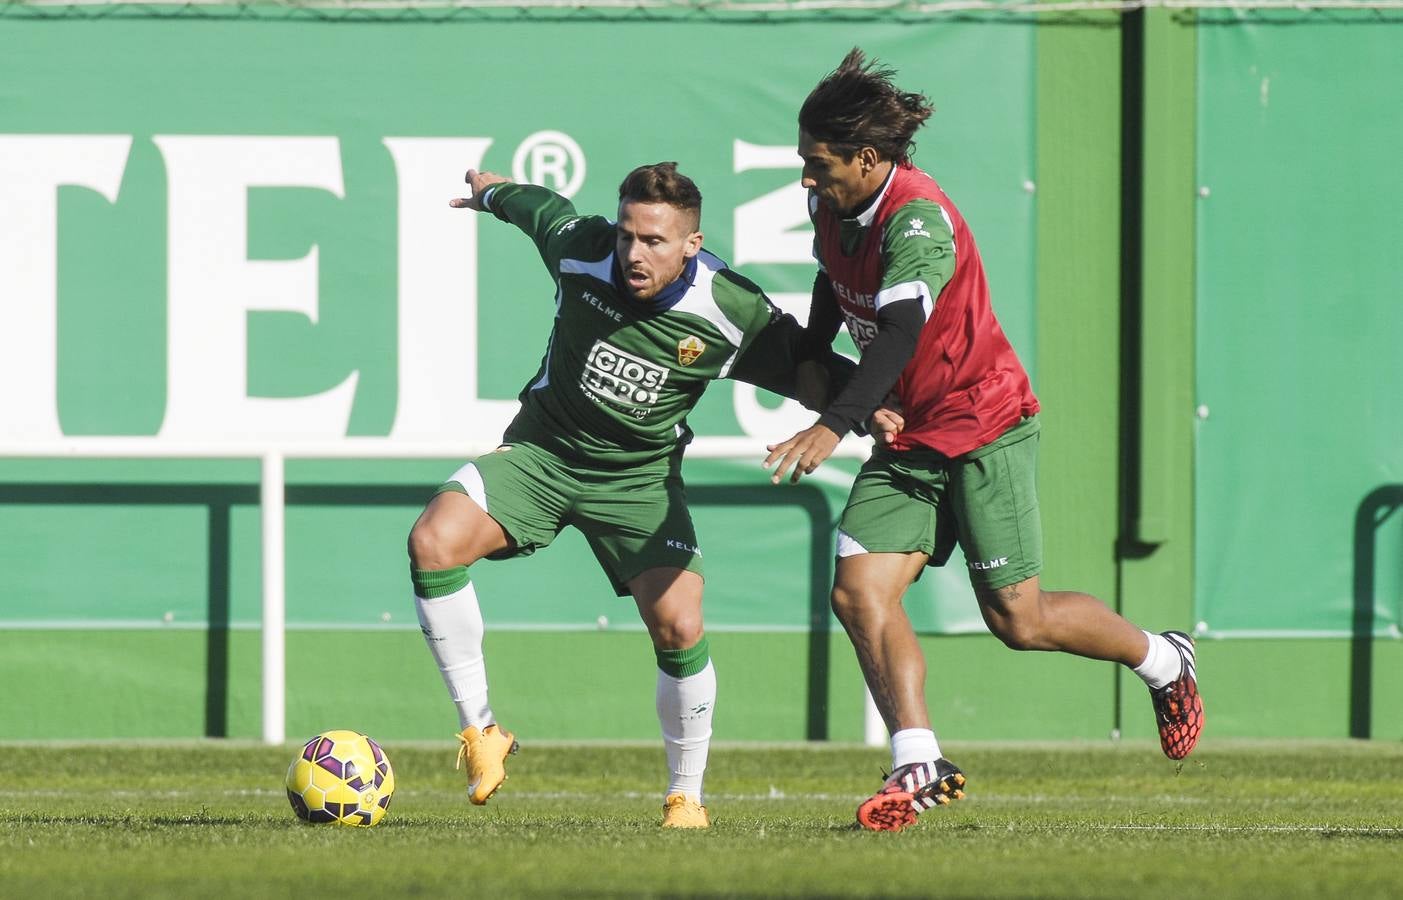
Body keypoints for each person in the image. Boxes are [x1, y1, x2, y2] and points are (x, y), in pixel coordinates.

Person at [762, 49, 1205, 833]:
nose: (805, 179)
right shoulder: (834, 210)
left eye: (817, 164)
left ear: (868, 159)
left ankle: (1163, 658)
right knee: (857, 592)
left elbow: (899, 332)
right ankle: (918, 759)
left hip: (981, 425)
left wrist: (835, 420)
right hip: (908, 436)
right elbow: (834, 281)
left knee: (1018, 621)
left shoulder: (917, 220)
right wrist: (809, 357)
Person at [407, 161, 852, 829]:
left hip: (637, 482)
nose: (633, 253)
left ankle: (684, 797)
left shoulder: (730, 308)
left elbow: (815, 376)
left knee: (680, 623)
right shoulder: (584, 250)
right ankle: (481, 733)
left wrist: (887, 406)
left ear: (691, 246)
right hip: (542, 452)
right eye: (627, 236)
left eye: (654, 241)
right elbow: (537, 206)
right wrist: (491, 192)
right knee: (431, 543)